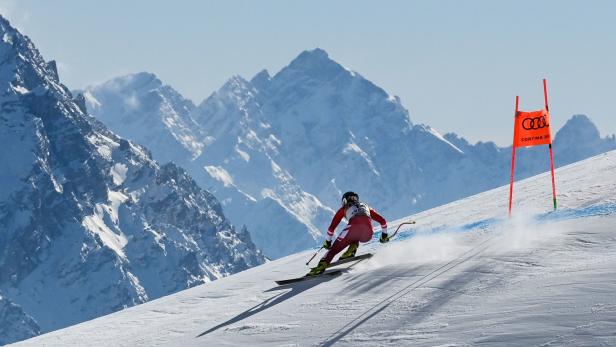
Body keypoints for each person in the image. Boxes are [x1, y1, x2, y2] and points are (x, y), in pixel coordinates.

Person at [307, 191, 388, 276]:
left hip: (353, 227)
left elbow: (331, 228)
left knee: (334, 249)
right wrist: (384, 236)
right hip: (368, 234)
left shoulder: (344, 209)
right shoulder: (366, 207)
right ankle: (351, 249)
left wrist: (328, 242)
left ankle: (321, 266)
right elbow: (383, 221)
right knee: (355, 236)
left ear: (345, 201)